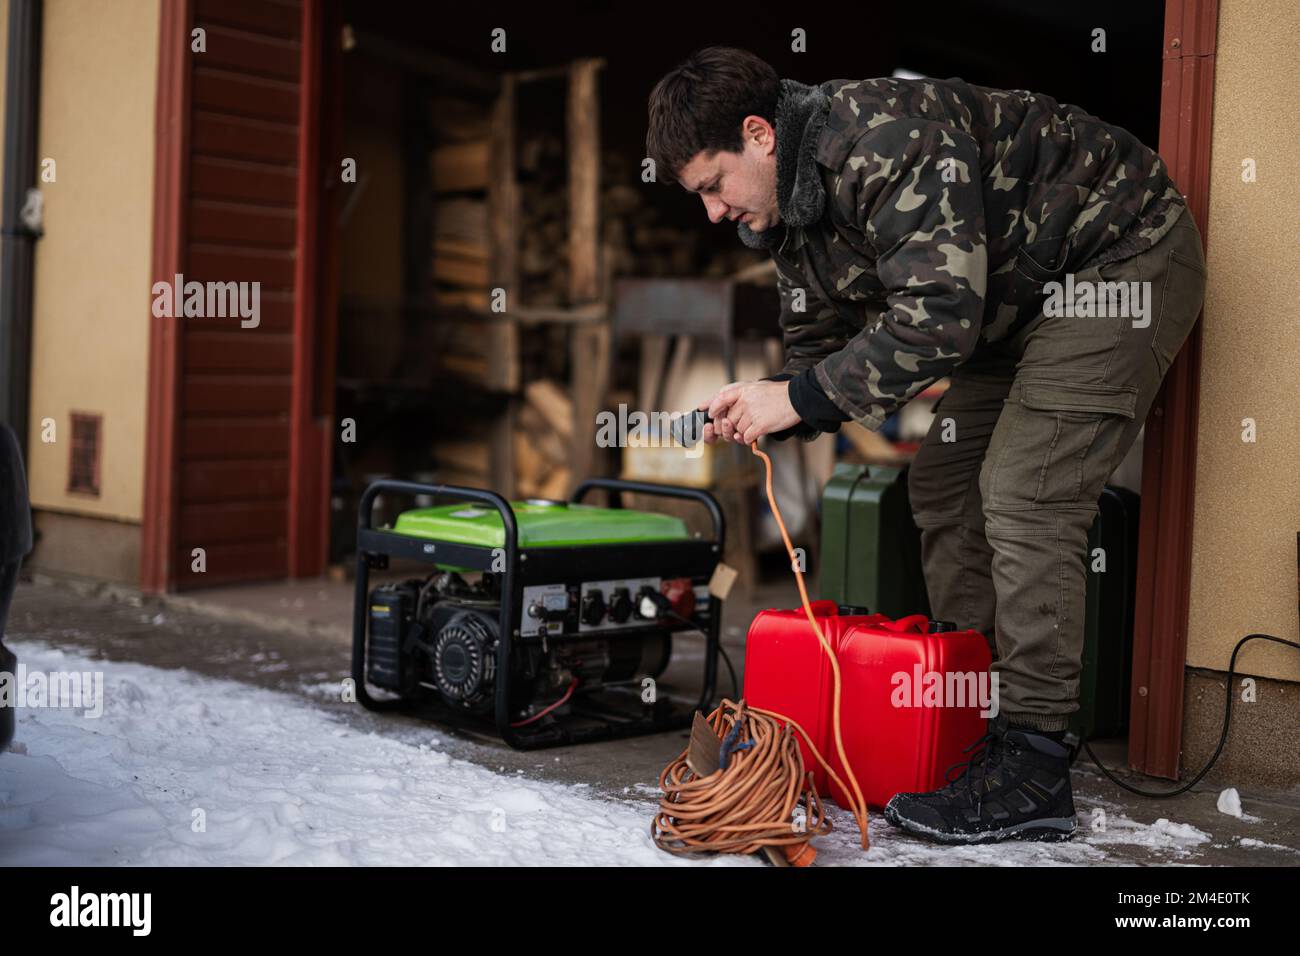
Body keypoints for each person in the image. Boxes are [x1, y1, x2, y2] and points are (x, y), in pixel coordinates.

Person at [645, 47, 1206, 844]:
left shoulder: (882, 140)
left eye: (712, 185)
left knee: (1024, 490)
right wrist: (776, 403)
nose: (711, 213)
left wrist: (799, 398)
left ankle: (1035, 761)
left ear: (759, 135)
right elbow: (818, 345)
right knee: (942, 485)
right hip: (1010, 311)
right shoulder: (783, 212)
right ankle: (968, 721)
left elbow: (937, 318)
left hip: (1115, 261)